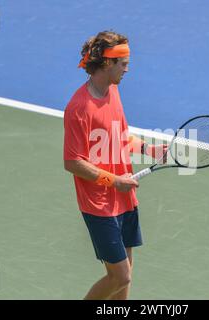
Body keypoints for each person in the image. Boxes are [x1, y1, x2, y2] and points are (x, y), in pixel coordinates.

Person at [63, 31, 166, 300]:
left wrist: (147, 149)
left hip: (124, 198)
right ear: (108, 63)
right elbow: (73, 161)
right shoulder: (79, 108)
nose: (128, 69)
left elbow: (120, 137)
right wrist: (114, 180)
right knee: (121, 276)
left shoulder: (114, 92)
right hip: (100, 203)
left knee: (126, 274)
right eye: (124, 63)